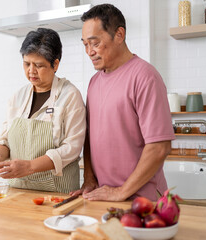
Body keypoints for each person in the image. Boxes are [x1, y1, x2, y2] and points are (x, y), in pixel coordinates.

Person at [70, 4, 175, 201]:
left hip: (143, 200)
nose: (89, 52)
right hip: (104, 197)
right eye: (85, 44)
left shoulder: (145, 77)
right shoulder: (94, 82)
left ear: (119, 35)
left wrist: (121, 192)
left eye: (95, 43)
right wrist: (90, 178)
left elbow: (160, 147)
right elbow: (90, 136)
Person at [0, 28, 86, 193]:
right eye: (26, 63)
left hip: (57, 192)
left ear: (55, 64)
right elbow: (4, 140)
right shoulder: (17, 97)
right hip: (18, 189)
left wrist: (30, 166)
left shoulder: (70, 95)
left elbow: (72, 148)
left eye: (38, 65)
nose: (31, 71)